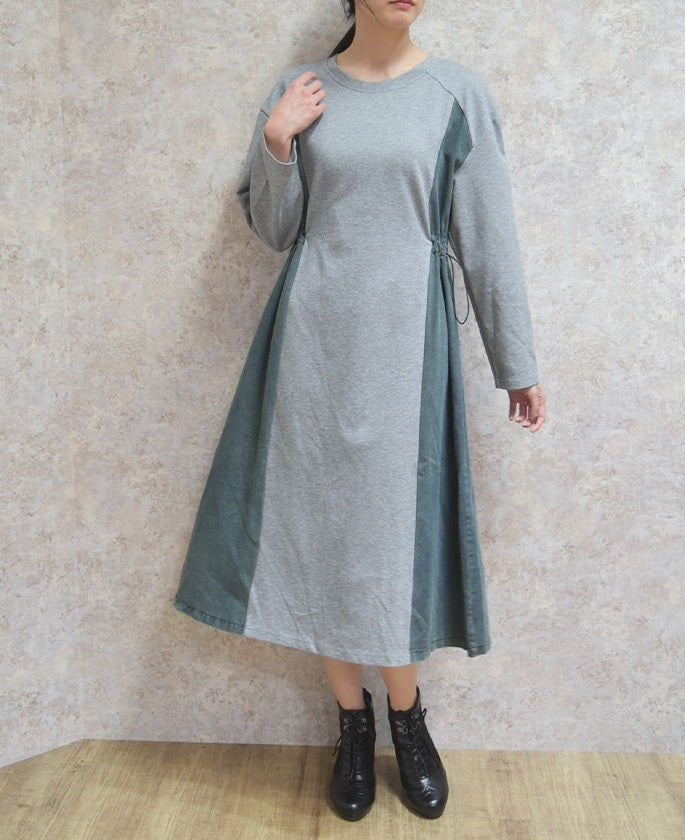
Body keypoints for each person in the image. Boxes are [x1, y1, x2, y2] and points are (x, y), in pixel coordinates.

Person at [172, 0, 547, 822]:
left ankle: (406, 717)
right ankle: (353, 722)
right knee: (325, 534)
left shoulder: (456, 94)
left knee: (386, 540)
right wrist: (278, 141)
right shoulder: (302, 89)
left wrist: (515, 364)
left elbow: (488, 236)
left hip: (408, 353)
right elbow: (276, 229)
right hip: (310, 346)